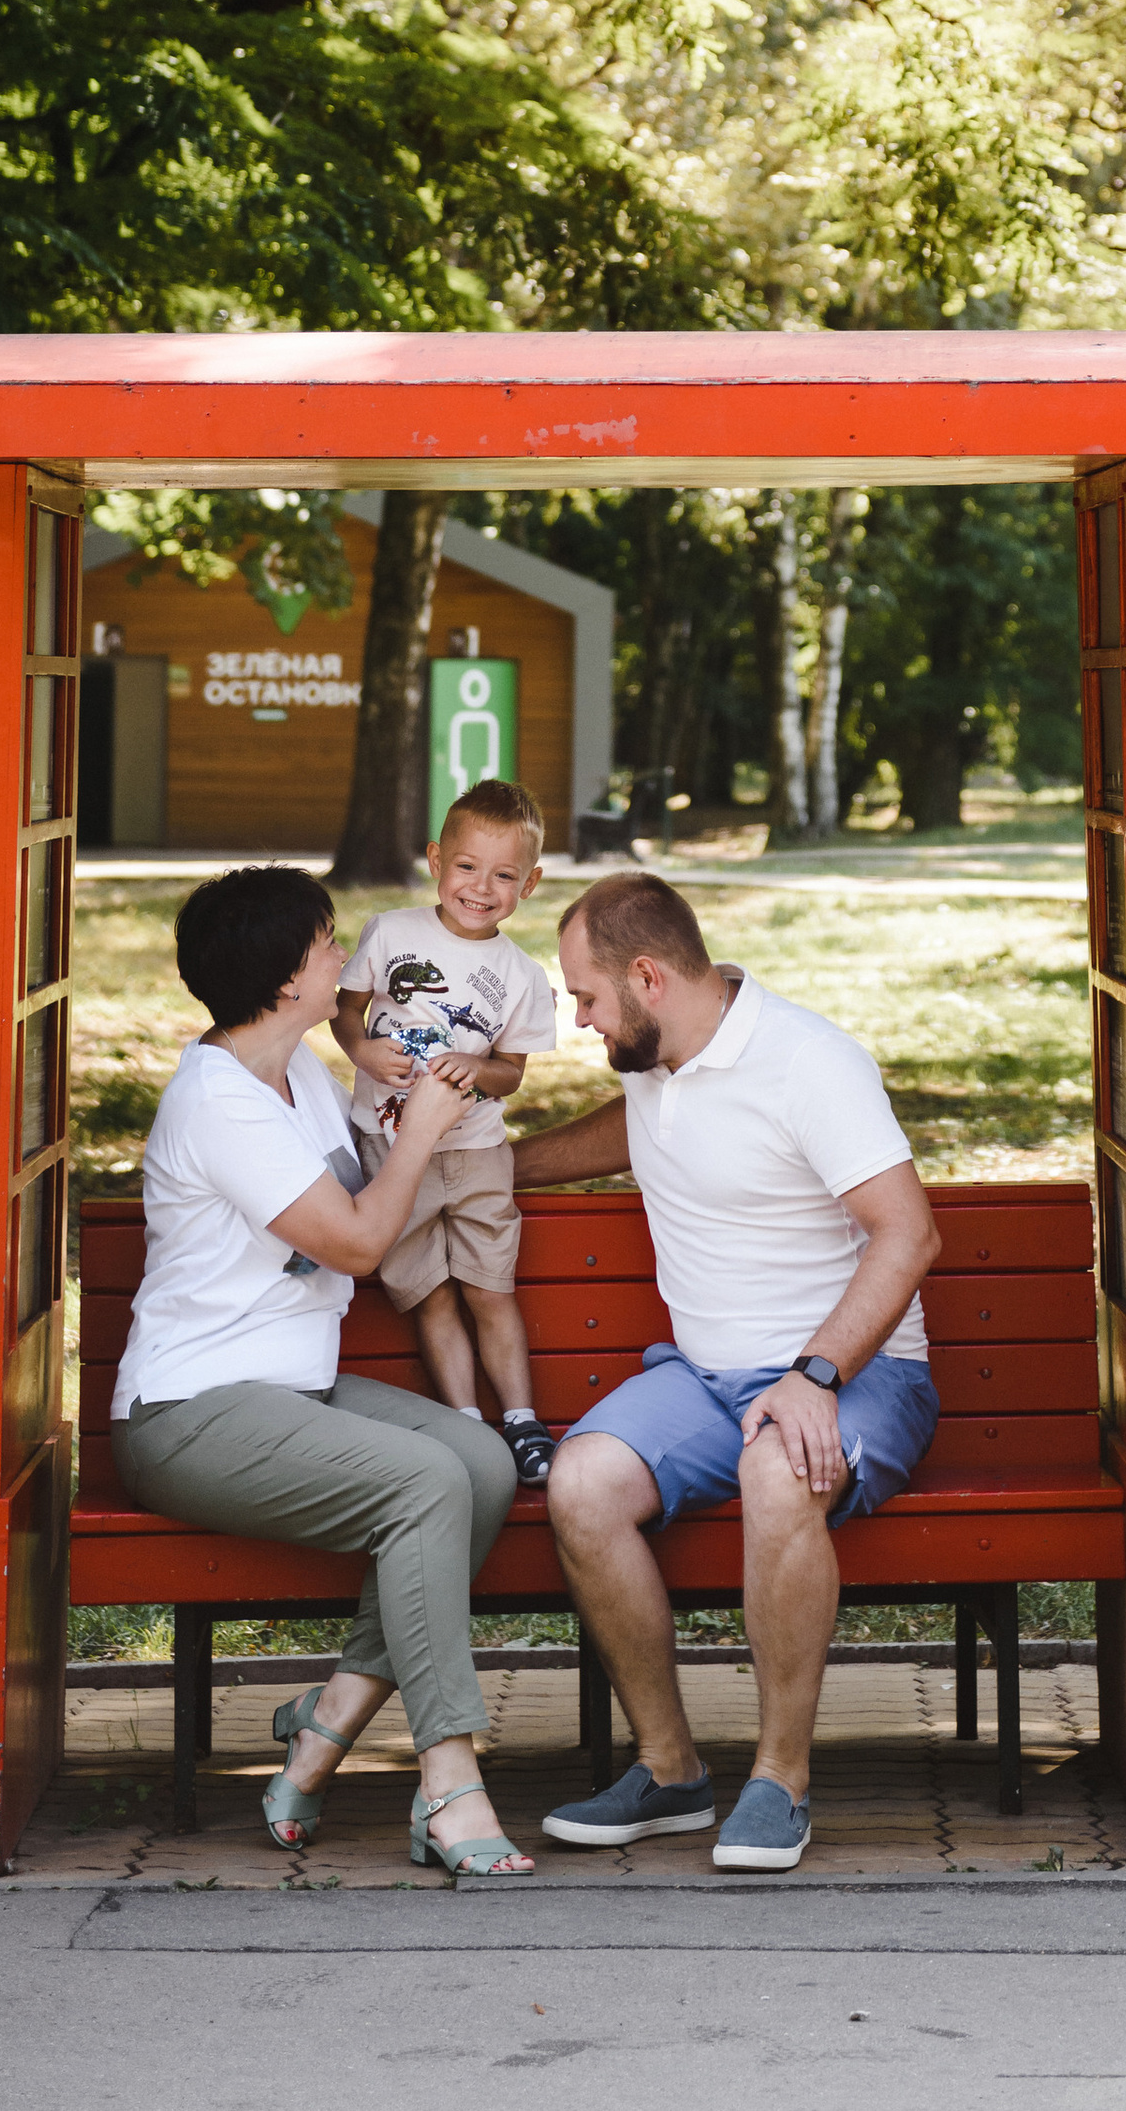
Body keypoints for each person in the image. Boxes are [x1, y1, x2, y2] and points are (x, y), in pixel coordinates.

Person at [110, 863, 533, 1877]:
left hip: (288, 1388)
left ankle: (330, 1716)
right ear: (281, 975)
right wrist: (420, 1136)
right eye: (325, 941)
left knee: (477, 1460)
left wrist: (406, 1118)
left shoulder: (294, 1070)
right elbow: (353, 1243)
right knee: (423, 1481)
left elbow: (356, 1189)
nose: (344, 954)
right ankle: (449, 1779)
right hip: (190, 1411)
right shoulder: (218, 1100)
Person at [519, 870, 940, 1875]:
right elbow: (639, 1128)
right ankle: (669, 1770)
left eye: (584, 995)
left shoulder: (810, 1062)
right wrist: (495, 1166)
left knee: (776, 1466)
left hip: (857, 1369)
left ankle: (778, 1779)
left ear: (649, 976)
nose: (578, 1019)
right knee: (580, 1484)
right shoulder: (656, 1053)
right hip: (703, 1376)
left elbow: (908, 1233)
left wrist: (814, 1373)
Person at [331, 780, 558, 1481]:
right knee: (430, 1292)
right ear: (435, 859)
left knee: (491, 1288)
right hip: (393, 1148)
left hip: (477, 1152)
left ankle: (520, 1421)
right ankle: (466, 1423)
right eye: (467, 866)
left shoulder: (521, 974)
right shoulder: (392, 931)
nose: (481, 887)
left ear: (531, 882)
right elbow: (347, 1007)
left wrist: (478, 1063)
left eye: (504, 875)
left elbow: (512, 1074)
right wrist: (363, 1051)